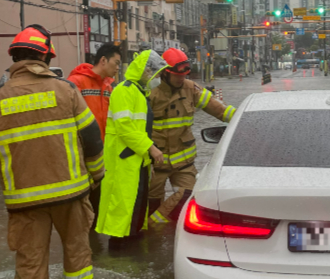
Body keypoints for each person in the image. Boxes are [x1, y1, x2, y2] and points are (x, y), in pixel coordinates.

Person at [0, 24, 105, 279]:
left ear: (15, 59)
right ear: (46, 58)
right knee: (78, 257)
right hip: (71, 195)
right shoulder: (66, 90)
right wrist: (97, 174)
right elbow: (92, 138)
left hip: (25, 202)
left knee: (29, 266)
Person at [147, 48, 236, 224]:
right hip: (155, 164)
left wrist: (244, 119)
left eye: (185, 75)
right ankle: (153, 234)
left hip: (183, 164)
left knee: (192, 199)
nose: (182, 79)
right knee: (149, 204)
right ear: (165, 73)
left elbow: (220, 110)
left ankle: (156, 225)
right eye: (178, 76)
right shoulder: (150, 93)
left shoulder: (190, 89)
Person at [95, 50, 168, 248]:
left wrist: (147, 157)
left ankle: (131, 238)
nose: (158, 78)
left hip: (136, 159)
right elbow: (125, 128)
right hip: (122, 159)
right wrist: (151, 149)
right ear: (146, 71)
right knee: (121, 202)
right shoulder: (124, 91)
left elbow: (139, 130)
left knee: (135, 201)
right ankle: (119, 244)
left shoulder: (138, 93)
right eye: (157, 74)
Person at [67, 42, 121, 221]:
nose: (117, 68)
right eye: (116, 63)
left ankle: (94, 243)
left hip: (102, 153)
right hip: (80, 154)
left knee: (98, 201)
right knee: (82, 204)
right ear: (103, 60)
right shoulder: (76, 82)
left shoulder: (109, 86)